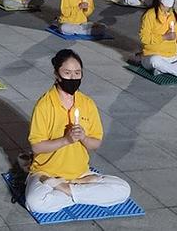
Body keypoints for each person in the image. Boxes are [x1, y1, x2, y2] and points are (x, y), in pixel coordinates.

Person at [25, 49, 131, 213]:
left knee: (123, 189)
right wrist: (66, 140)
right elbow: (36, 147)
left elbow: (96, 143)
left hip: (80, 174)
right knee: (35, 203)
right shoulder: (44, 105)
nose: (73, 78)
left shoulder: (87, 103)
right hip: (46, 174)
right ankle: (80, 192)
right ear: (56, 74)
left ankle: (67, 188)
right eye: (67, 73)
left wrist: (83, 138)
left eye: (77, 73)